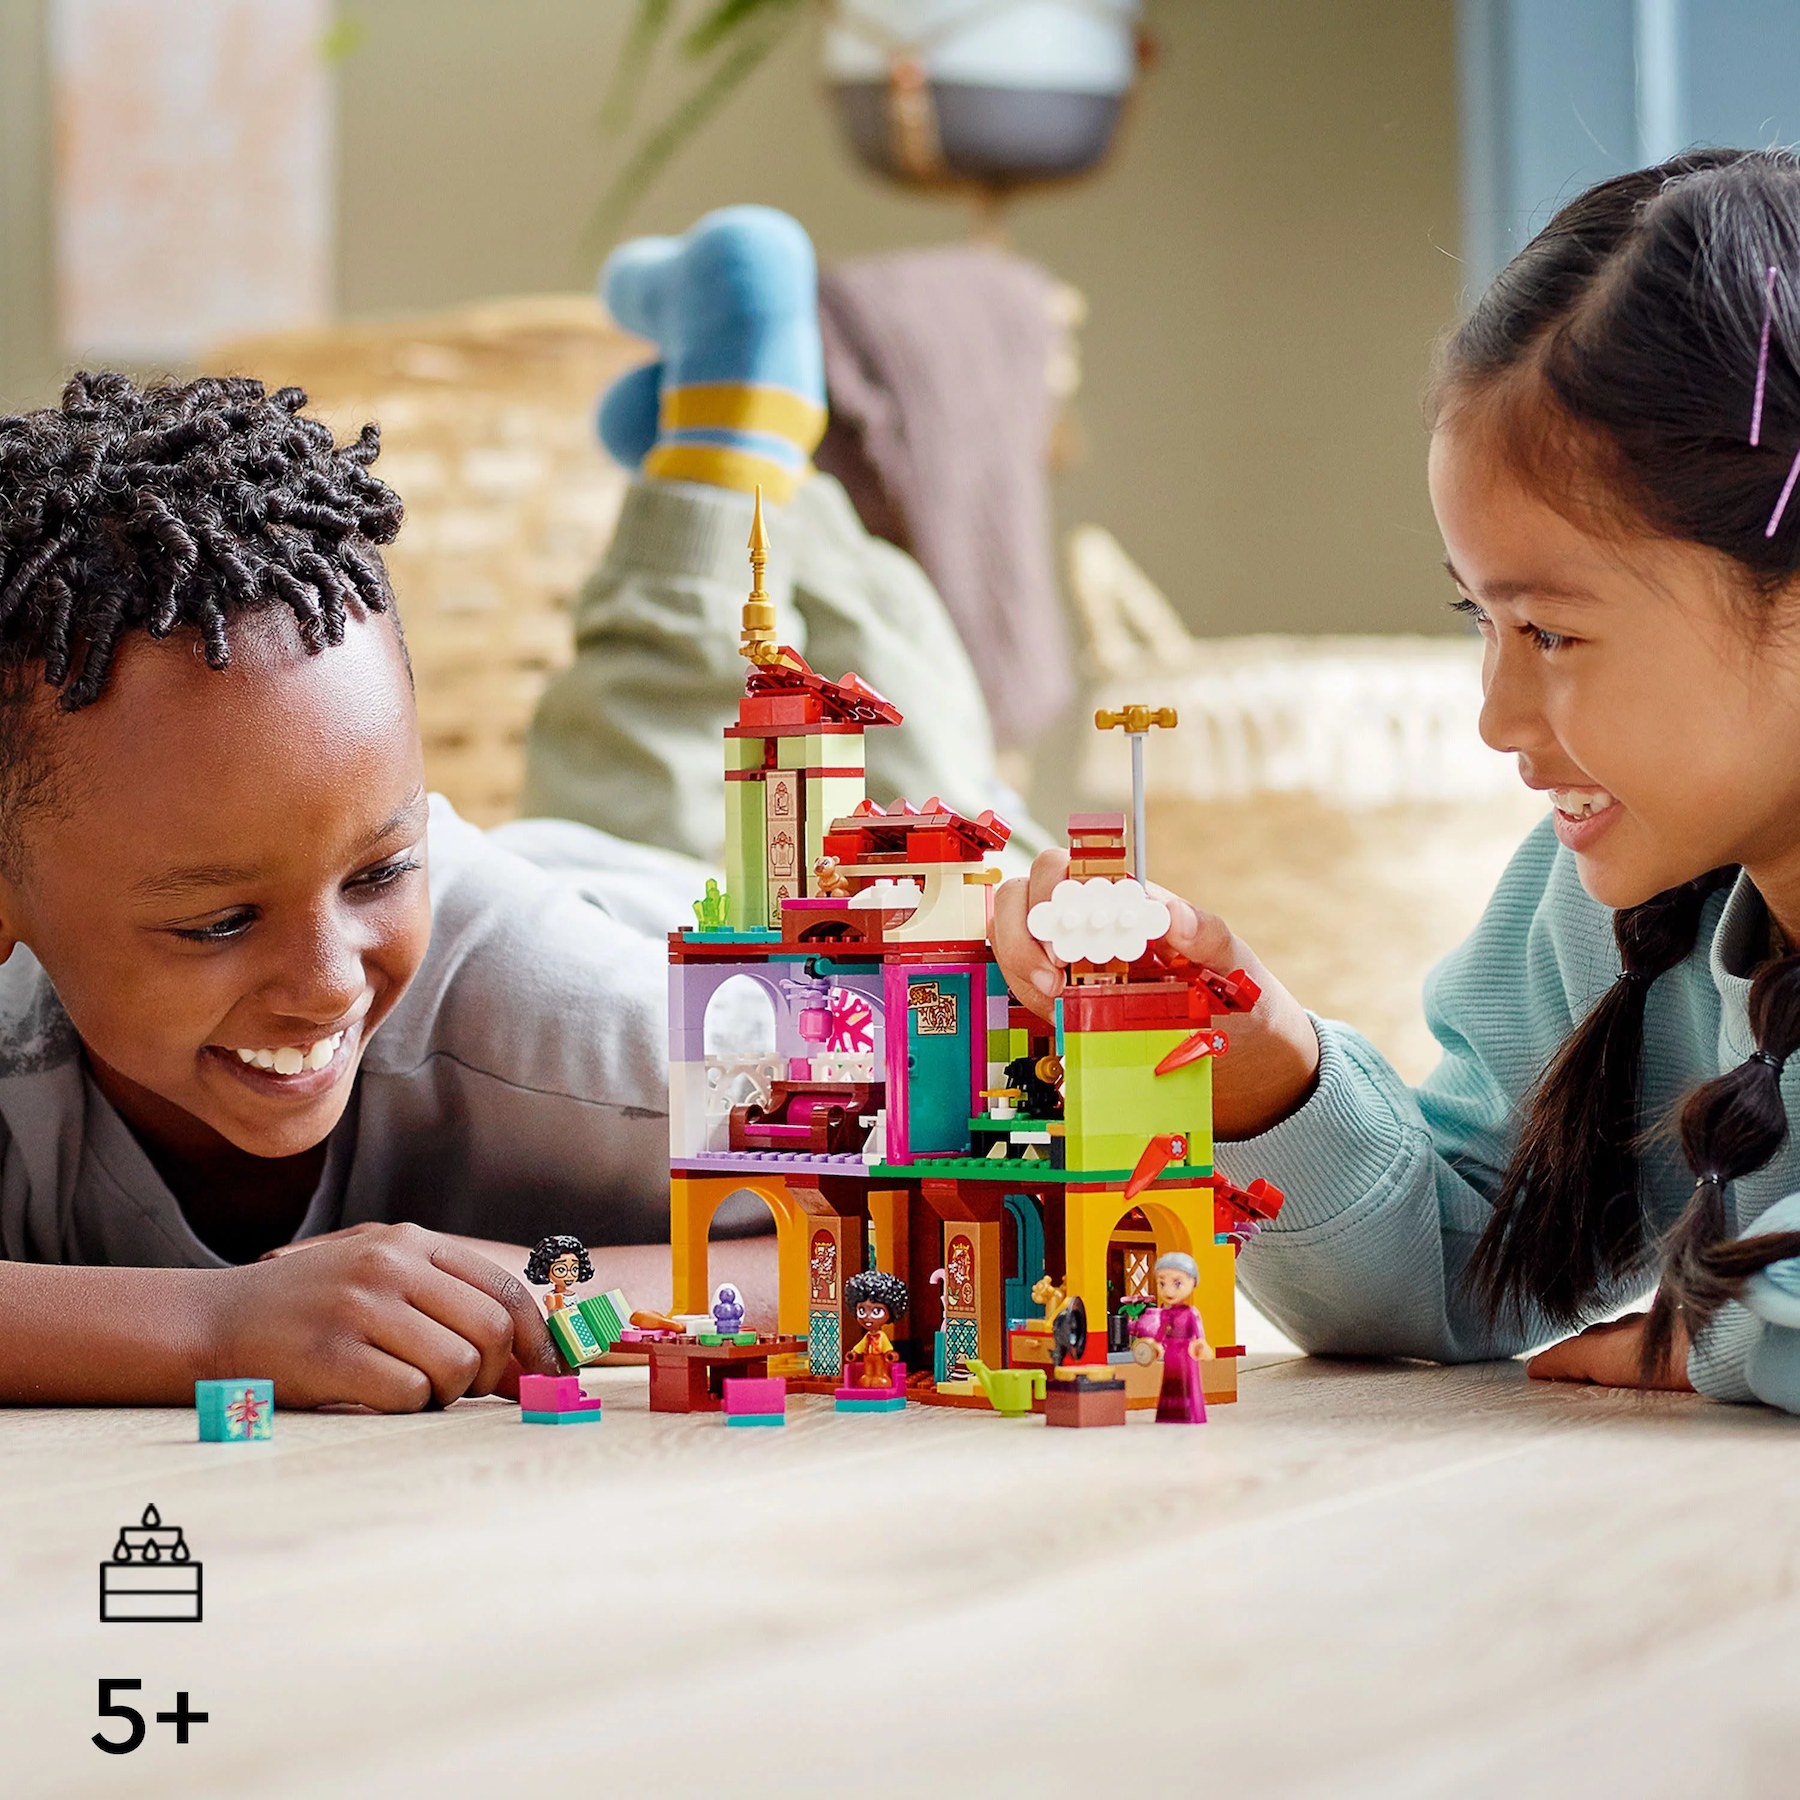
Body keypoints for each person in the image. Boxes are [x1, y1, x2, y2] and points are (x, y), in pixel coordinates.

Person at [996, 148, 1800, 1415]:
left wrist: (1720, 1335)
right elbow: (1460, 1273)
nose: (1494, 717)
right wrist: (1268, 1072)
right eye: (1479, 620)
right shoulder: (1604, 911)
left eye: (1550, 633)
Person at [0, 372, 764, 1411]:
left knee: (683, 721)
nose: (323, 987)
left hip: (654, 906)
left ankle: (725, 438)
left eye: (380, 871)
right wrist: (212, 1326)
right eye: (215, 921)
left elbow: (974, 1203)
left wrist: (529, 1292)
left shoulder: (578, 1029)